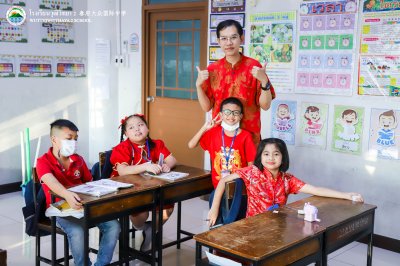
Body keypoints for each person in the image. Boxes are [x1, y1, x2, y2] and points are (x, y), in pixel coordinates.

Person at [207, 138, 364, 226]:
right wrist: (214, 210)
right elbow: (223, 181)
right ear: (260, 157)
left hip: (278, 227)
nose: (271, 158)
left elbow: (315, 189)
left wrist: (346, 195)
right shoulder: (252, 173)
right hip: (253, 227)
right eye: (266, 154)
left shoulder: (287, 179)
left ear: (283, 158)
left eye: (276, 154)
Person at [36, 119, 120, 266]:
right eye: (69, 138)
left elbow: (90, 183)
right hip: (61, 209)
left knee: (114, 226)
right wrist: (67, 194)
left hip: (84, 206)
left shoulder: (78, 159)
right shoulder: (43, 161)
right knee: (78, 232)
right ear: (54, 139)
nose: (73, 142)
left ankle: (101, 264)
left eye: (75, 139)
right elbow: (51, 182)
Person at [196, 19, 276, 146]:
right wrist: (198, 86)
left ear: (241, 38)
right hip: (220, 137)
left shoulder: (254, 67)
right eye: (224, 38)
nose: (229, 43)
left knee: (250, 167)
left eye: (233, 37)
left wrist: (264, 80)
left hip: (249, 137)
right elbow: (206, 107)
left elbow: (265, 106)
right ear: (218, 41)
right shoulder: (212, 70)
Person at [110, 114, 177, 251]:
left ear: (147, 128)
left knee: (167, 208)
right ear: (126, 133)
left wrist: (167, 165)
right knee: (142, 214)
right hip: (130, 191)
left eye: (140, 125)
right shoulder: (122, 148)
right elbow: (122, 171)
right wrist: (145, 166)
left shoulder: (157, 144)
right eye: (131, 127)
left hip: (154, 188)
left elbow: (172, 159)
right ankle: (142, 227)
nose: (137, 129)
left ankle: (152, 230)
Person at [188, 97, 256, 224]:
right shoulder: (214, 133)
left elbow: (252, 167)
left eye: (236, 113)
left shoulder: (245, 136)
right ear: (220, 115)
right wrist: (205, 127)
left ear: (241, 116)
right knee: (217, 220)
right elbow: (191, 144)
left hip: (239, 191)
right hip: (218, 187)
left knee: (235, 224)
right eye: (227, 112)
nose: (231, 116)